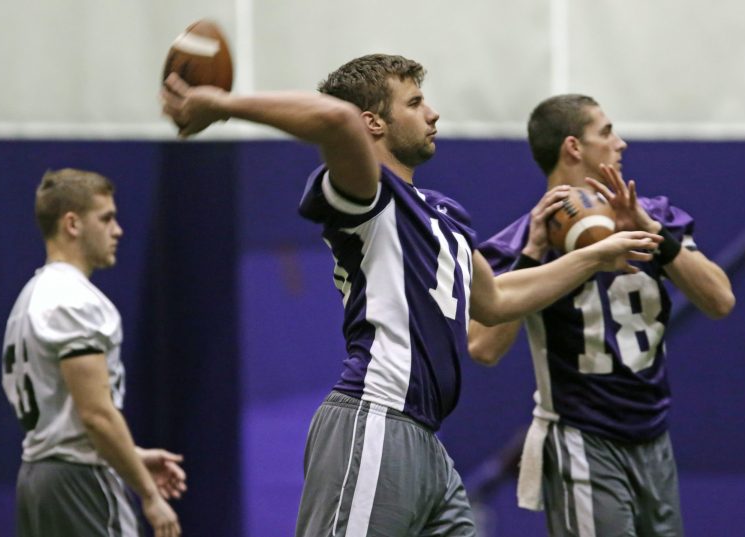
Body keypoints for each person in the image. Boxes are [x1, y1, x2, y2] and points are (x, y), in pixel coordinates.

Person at [161, 55, 661, 536]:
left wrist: (594, 257)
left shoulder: (439, 212)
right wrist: (221, 104)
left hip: (425, 440)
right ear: (373, 123)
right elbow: (335, 119)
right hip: (374, 419)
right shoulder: (368, 194)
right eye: (416, 102)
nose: (433, 112)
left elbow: (496, 301)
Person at [468, 94, 735, 537]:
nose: (621, 143)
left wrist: (651, 231)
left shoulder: (653, 214)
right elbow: (482, 347)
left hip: (654, 435)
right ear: (574, 147)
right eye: (607, 132)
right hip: (582, 435)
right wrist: (533, 255)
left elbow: (720, 300)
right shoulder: (527, 237)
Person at [1, 168, 186, 537]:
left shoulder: (30, 297)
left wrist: (132, 457)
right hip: (79, 481)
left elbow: (66, 414)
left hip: (39, 477)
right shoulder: (74, 301)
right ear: (72, 223)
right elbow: (96, 415)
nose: (117, 230)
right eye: (106, 218)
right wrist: (148, 494)